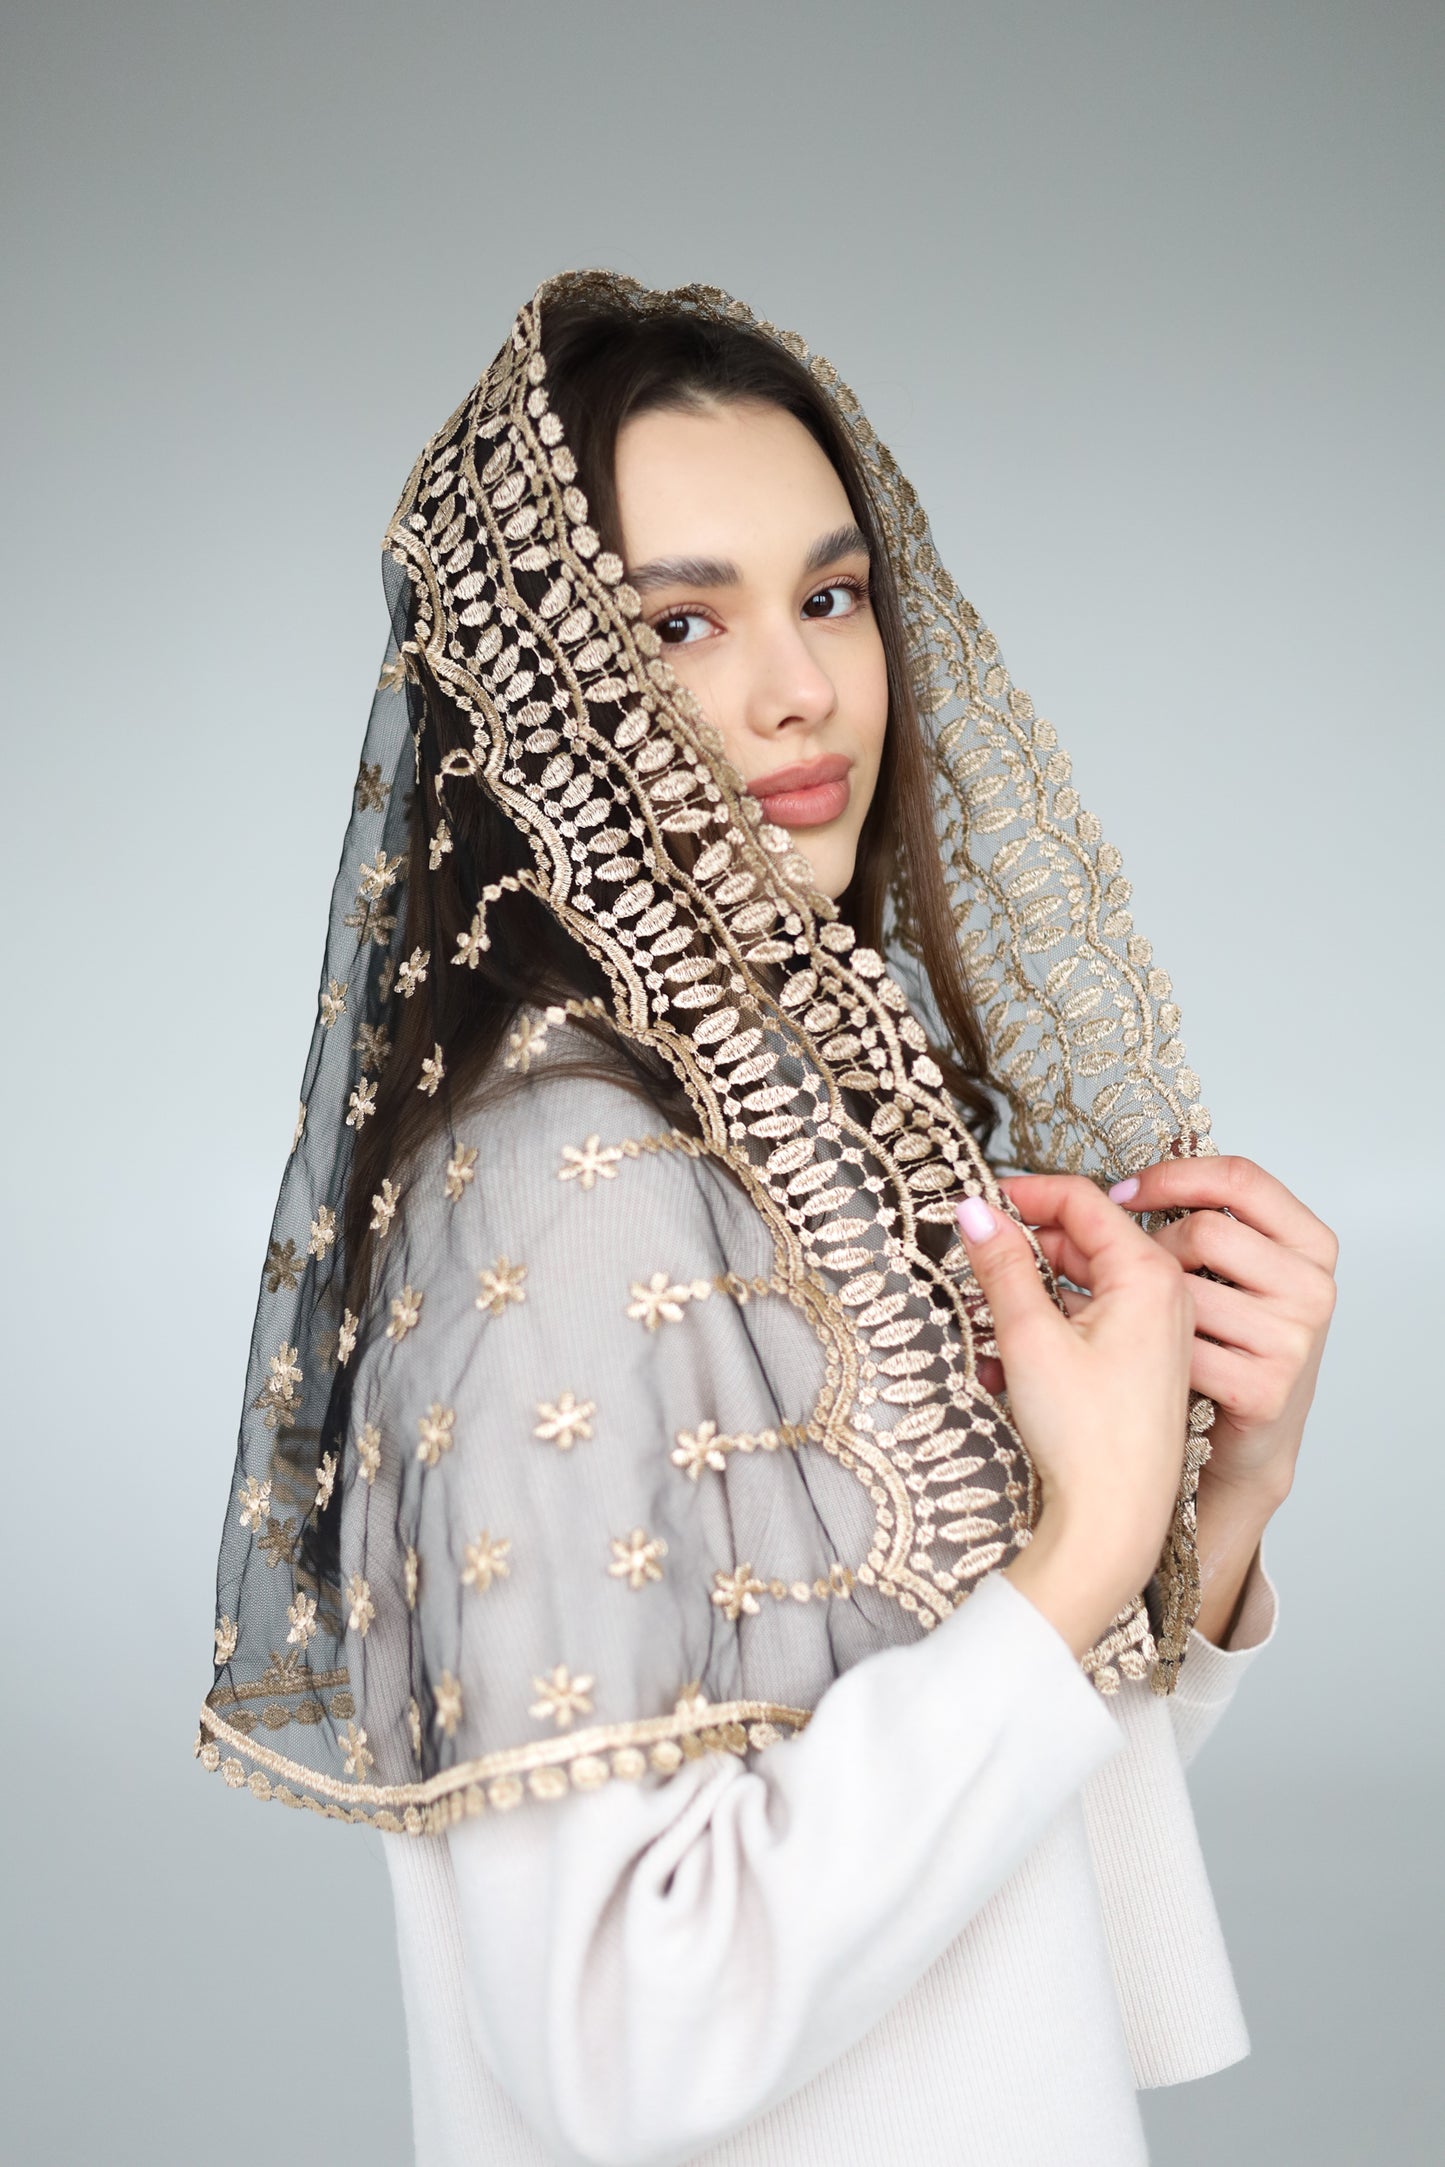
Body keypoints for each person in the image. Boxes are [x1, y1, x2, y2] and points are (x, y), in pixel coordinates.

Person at [195, 272, 1337, 2166]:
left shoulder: (797, 1125)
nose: (798, 689)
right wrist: (1077, 1555)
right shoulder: (570, 1195)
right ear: (542, 696)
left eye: (828, 596)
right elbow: (615, 2049)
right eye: (677, 622)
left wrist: (1212, 1502)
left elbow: (1005, 1862)